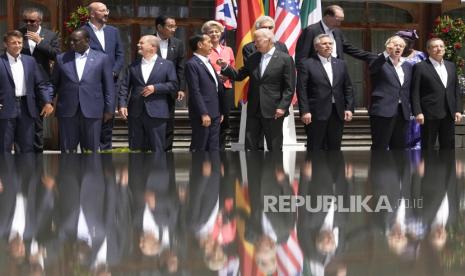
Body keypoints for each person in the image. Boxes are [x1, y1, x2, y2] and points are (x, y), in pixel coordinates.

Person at [219, 28, 295, 151]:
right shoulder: (253, 57)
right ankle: (253, 170)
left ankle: (275, 168)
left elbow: (289, 87)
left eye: (257, 41)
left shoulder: (285, 59)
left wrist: (282, 106)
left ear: (269, 40)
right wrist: (226, 67)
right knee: (250, 145)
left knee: (274, 145)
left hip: (274, 109)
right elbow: (240, 75)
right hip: (254, 107)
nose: (254, 44)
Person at [52, 28, 115, 152]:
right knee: (68, 151)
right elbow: (53, 83)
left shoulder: (102, 58)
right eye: (70, 41)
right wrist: (48, 101)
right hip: (67, 112)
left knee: (91, 151)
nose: (71, 44)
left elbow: (109, 86)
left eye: (75, 41)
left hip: (93, 111)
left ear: (87, 40)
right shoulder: (61, 58)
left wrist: (109, 109)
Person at [118, 35, 178, 152]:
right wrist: (122, 105)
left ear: (153, 47)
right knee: (135, 151)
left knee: (157, 150)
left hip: (157, 113)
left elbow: (173, 85)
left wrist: (156, 88)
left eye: (141, 43)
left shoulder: (167, 65)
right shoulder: (133, 65)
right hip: (135, 113)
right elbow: (124, 87)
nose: (138, 45)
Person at [296, 34, 354, 150]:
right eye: (324, 44)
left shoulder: (341, 64)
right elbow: (301, 89)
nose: (328, 46)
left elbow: (348, 87)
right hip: (316, 113)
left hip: (337, 112)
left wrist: (349, 108)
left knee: (334, 147)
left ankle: (335, 168)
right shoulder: (307, 64)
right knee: (315, 147)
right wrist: (305, 111)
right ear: (316, 47)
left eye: (330, 43)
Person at [0, 30, 54, 153]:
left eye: (20, 42)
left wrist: (47, 102)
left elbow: (40, 83)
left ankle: (24, 173)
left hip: (27, 108)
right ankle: (6, 173)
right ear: (5, 44)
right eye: (13, 43)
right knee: (4, 148)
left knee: (26, 147)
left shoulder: (30, 61)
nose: (18, 45)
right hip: (5, 109)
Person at [83, 1, 124, 151]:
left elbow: (120, 55)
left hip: (111, 83)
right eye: (102, 11)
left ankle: (106, 156)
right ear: (92, 13)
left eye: (107, 10)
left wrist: (113, 71)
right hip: (92, 85)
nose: (106, 13)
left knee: (108, 119)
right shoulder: (83, 32)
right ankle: (90, 156)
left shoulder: (113, 31)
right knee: (92, 120)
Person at [19, 7, 60, 152]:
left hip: (41, 83)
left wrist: (40, 42)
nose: (28, 24)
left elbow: (56, 55)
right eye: (26, 21)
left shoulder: (50, 35)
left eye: (32, 21)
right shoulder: (19, 34)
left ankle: (37, 156)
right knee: (21, 121)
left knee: (38, 121)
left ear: (40, 21)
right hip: (21, 83)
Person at [411, 38, 463, 149]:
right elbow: (414, 92)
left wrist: (458, 109)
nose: (439, 49)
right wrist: (417, 112)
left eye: (441, 46)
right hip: (429, 114)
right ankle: (430, 167)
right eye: (435, 46)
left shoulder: (451, 66)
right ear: (428, 50)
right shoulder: (420, 67)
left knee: (448, 148)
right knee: (428, 148)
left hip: (449, 114)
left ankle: (448, 167)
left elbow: (456, 89)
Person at [368, 35, 413, 150]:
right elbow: (373, 68)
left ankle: (398, 168)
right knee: (380, 146)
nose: (398, 48)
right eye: (395, 45)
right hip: (383, 110)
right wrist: (385, 53)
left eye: (401, 46)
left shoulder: (407, 66)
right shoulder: (379, 61)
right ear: (388, 47)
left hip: (402, 111)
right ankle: (377, 168)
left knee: (399, 147)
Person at [295, 5, 372, 68]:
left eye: (341, 21)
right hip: (318, 75)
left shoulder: (337, 32)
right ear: (327, 16)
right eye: (337, 20)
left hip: (336, 74)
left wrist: (376, 56)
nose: (339, 24)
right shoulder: (311, 31)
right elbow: (302, 58)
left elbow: (351, 49)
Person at [185, 34, 224, 151]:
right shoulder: (192, 64)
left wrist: (220, 110)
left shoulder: (208, 62)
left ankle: (214, 169)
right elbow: (195, 91)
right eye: (209, 42)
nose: (212, 45)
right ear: (200, 45)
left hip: (215, 111)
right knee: (201, 145)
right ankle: (198, 169)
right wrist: (203, 113)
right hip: (203, 113)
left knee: (213, 146)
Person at [201, 20, 235, 149]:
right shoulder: (204, 50)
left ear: (221, 33)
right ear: (206, 34)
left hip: (226, 88)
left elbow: (233, 69)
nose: (214, 34)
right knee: (212, 118)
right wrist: (215, 75)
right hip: (210, 89)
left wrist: (227, 75)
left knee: (224, 119)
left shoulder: (228, 50)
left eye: (217, 31)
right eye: (211, 32)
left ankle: (221, 147)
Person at [154, 15, 186, 151]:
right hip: (152, 90)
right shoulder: (147, 41)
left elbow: (181, 67)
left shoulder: (178, 43)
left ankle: (167, 152)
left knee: (169, 122)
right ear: (160, 27)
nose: (173, 29)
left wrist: (181, 88)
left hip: (170, 90)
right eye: (170, 26)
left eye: (175, 26)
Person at [396, 29, 427, 150]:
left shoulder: (421, 56)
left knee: (415, 126)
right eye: (405, 42)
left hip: (415, 96)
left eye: (411, 42)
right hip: (397, 97)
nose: (409, 45)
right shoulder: (392, 56)